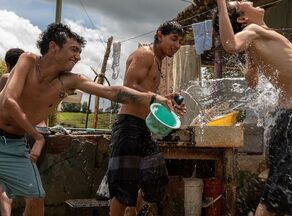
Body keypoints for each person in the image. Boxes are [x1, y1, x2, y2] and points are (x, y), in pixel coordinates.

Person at [0, 22, 172, 216]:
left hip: (14, 145)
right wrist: (37, 137)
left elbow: (111, 91)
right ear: (53, 47)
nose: (78, 56)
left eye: (80, 52)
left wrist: (152, 98)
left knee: (36, 199)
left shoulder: (71, 80)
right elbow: (8, 102)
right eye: (73, 49)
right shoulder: (28, 60)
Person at [214, 1, 292, 215]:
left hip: (286, 117)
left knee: (277, 193)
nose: (247, 0)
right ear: (242, 19)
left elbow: (251, 80)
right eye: (240, 3)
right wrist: (222, 4)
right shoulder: (254, 29)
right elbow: (230, 45)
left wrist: (251, 55)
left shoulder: (255, 37)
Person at [107, 20, 185, 216]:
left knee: (155, 178)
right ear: (159, 35)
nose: (176, 45)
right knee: (124, 188)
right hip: (128, 126)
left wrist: (164, 100)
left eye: (180, 42)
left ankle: (134, 212)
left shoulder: (158, 62)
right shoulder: (145, 54)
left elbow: (146, 95)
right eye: (173, 39)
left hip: (143, 127)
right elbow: (128, 87)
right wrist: (154, 97)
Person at [0, 48, 25, 216]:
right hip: (31, 134)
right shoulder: (32, 80)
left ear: (8, 64)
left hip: (8, 135)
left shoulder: (6, 78)